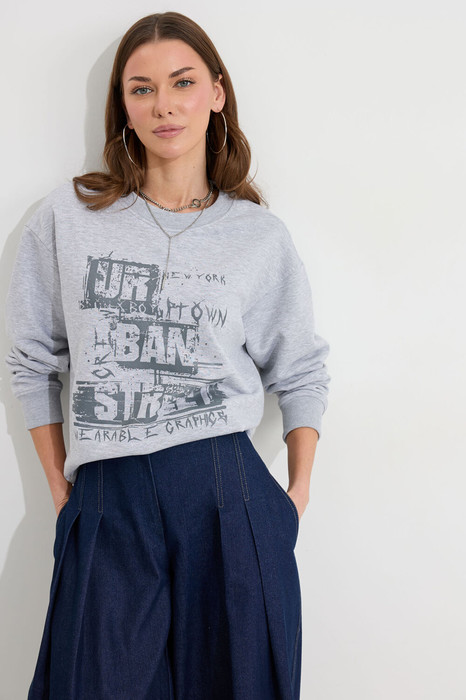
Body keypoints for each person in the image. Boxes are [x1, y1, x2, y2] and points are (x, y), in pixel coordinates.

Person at [4, 11, 331, 700]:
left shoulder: (258, 236)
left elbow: (300, 369)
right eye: (142, 88)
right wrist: (63, 491)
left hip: (228, 501)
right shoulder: (69, 217)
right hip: (108, 501)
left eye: (182, 82)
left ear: (217, 92)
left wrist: (295, 497)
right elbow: (32, 359)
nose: (164, 105)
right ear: (123, 105)